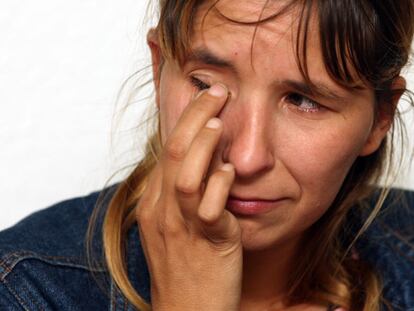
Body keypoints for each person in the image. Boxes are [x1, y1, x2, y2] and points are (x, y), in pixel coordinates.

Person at [0, 0, 413, 310]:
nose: (248, 158)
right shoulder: (25, 289)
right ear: (160, 66)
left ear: (380, 117)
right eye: (207, 85)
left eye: (304, 101)